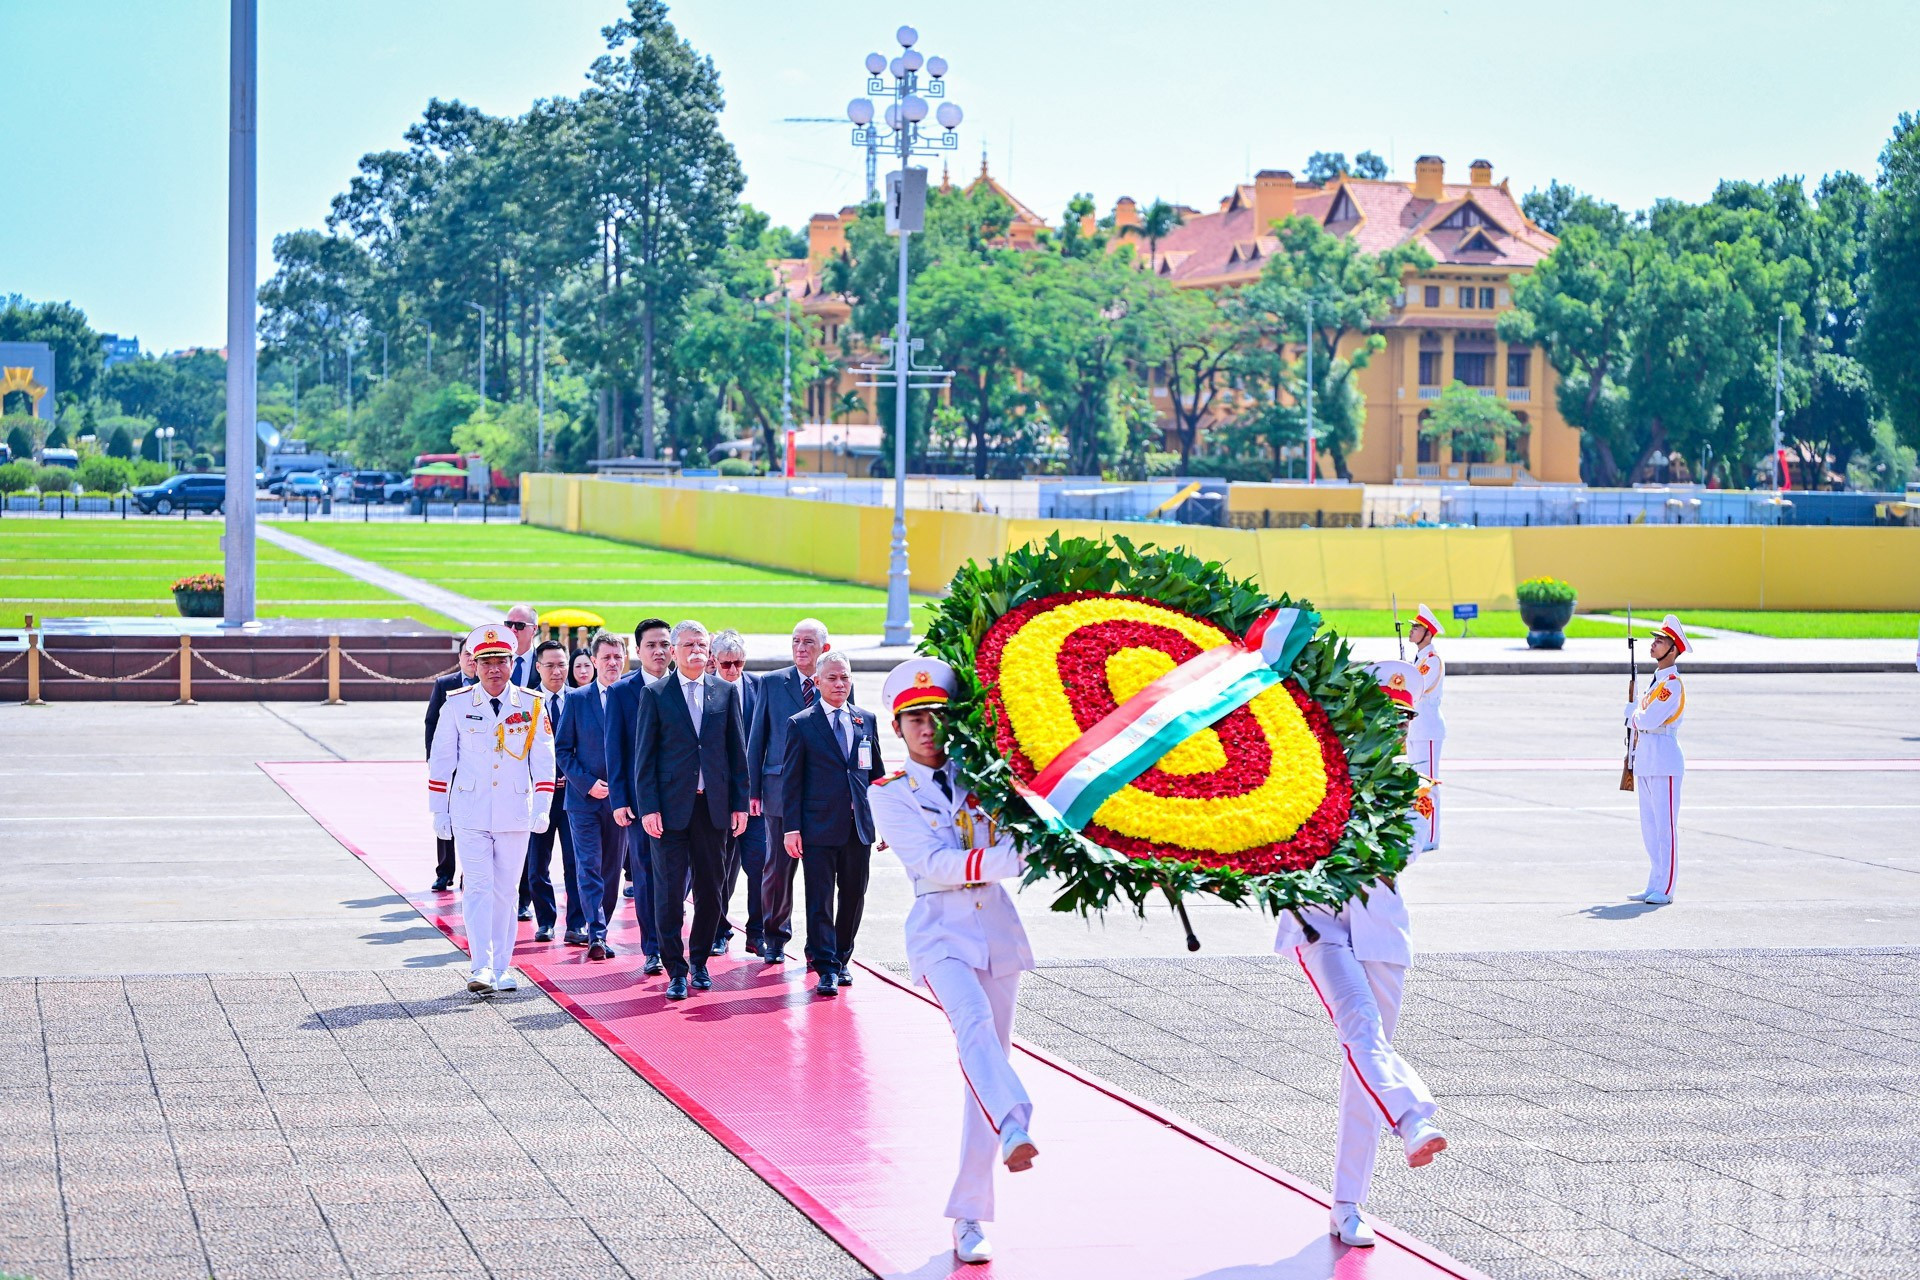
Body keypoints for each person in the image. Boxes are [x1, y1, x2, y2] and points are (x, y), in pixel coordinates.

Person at [868, 658, 1036, 1266]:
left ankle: (968, 1216)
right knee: (971, 1026)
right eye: (915, 718)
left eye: (937, 716)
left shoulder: (985, 779)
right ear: (897, 727)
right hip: (939, 930)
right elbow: (934, 864)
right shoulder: (887, 794)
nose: (928, 728)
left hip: (995, 929)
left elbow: (1021, 834)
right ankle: (1016, 1121)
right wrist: (1008, 858)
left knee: (982, 1065)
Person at [1274, 804, 1447, 1249]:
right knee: (1362, 1033)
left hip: (1381, 930)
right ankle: (1411, 1119)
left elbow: (1405, 848)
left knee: (1367, 1064)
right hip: (1316, 922)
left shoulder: (1408, 781)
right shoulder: (1305, 764)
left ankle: (1347, 1205)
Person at [428, 624, 555, 995]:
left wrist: (542, 805)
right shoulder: (457, 702)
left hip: (515, 810)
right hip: (470, 810)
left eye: (501, 661)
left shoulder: (532, 704)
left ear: (513, 663)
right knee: (478, 888)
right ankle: (480, 966)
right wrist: (439, 809)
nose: (494, 669)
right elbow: (441, 759)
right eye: (486, 662)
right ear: (475, 665)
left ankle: (502, 966)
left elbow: (544, 760)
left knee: (506, 892)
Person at [633, 621, 748, 1001]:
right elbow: (644, 758)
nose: (696, 650)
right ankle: (675, 970)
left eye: (702, 644)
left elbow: (737, 753)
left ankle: (699, 962)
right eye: (688, 644)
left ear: (709, 650)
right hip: (669, 812)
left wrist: (739, 803)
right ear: (675, 651)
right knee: (667, 894)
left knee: (712, 891)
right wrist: (648, 807)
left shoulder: (726, 692)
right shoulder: (656, 694)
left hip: (712, 809)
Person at [779, 650, 885, 997]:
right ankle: (824, 966)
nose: (840, 684)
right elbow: (791, 781)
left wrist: (888, 821)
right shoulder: (802, 723)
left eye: (845, 678)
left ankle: (842, 959)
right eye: (832, 678)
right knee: (820, 899)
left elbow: (878, 776)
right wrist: (791, 828)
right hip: (818, 827)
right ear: (818, 682)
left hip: (859, 827)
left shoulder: (865, 719)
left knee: (854, 896)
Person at [749, 618, 830, 963]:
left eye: (809, 642)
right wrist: (752, 790)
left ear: (824, 648)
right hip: (779, 791)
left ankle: (819, 946)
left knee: (821, 873)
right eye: (796, 641)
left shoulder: (835, 680)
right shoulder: (772, 683)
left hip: (824, 795)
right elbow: (757, 741)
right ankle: (776, 937)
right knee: (778, 869)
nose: (800, 648)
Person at [560, 632, 634, 958]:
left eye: (617, 657)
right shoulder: (577, 700)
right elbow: (563, 750)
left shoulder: (635, 697)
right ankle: (596, 933)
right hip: (583, 800)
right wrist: (586, 782)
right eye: (606, 658)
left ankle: (601, 925)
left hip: (620, 802)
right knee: (588, 864)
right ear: (593, 661)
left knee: (611, 869)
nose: (612, 663)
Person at [608, 619, 672, 971]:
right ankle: (653, 948)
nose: (659, 651)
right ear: (638, 650)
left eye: (665, 643)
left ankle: (675, 938)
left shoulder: (688, 687)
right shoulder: (622, 692)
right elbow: (614, 749)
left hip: (685, 799)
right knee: (646, 873)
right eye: (651, 645)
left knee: (683, 874)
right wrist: (619, 799)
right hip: (639, 802)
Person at [709, 629, 764, 956]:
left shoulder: (760, 688)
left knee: (759, 866)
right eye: (726, 663)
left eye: (739, 663)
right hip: (718, 800)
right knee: (718, 870)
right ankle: (718, 928)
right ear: (714, 661)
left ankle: (757, 932)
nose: (733, 670)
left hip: (755, 801)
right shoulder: (705, 690)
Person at [1627, 615, 1689, 905]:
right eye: (1654, 640)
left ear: (1673, 650)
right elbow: (1639, 718)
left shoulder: (1671, 684)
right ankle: (1654, 882)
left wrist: (1635, 716)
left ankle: (1667, 889)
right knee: (1649, 827)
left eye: (1660, 641)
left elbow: (1649, 718)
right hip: (1647, 759)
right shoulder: (1656, 684)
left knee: (1666, 828)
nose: (1653, 645)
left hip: (1664, 759)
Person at [519, 639, 574, 941]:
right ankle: (546, 920)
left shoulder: (580, 699)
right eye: (550, 665)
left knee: (576, 862)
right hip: (538, 796)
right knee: (537, 862)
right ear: (538, 667)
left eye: (561, 664)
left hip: (574, 795)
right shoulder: (526, 704)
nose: (556, 671)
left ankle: (577, 923)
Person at [423, 646, 478, 892]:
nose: (471, 659)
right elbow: (431, 721)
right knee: (445, 816)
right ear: (459, 657)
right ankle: (445, 872)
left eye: (475, 655)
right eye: (466, 654)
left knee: (474, 819)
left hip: (473, 765)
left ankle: (471, 873)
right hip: (448, 763)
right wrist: (432, 759)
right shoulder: (445, 684)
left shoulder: (487, 684)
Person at [1406, 603, 1446, 853]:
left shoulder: (1431, 661)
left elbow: (1416, 689)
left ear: (1428, 633)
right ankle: (1420, 832)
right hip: (1416, 728)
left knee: (1429, 784)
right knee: (1417, 784)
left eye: (1417, 627)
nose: (1411, 631)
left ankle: (1430, 836)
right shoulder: (1419, 659)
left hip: (1428, 728)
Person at [503, 604, 541, 689]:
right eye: (509, 624)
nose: (513, 629)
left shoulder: (544, 661)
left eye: (519, 625)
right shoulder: (496, 659)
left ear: (534, 629)